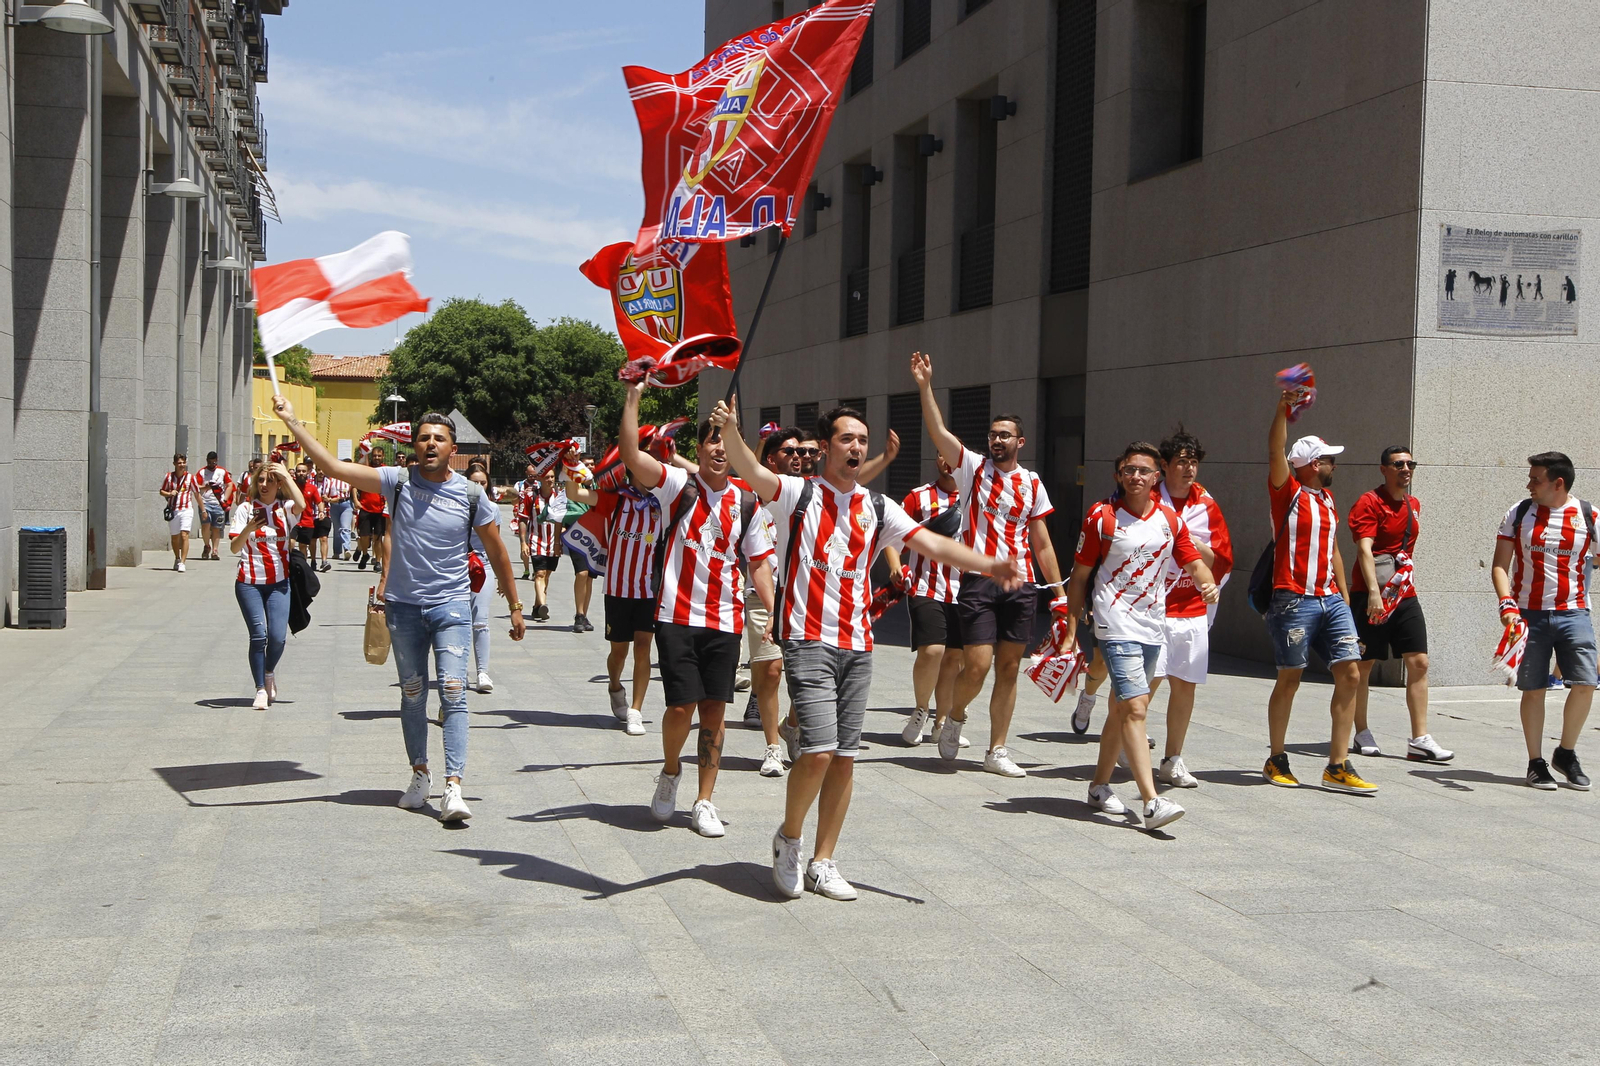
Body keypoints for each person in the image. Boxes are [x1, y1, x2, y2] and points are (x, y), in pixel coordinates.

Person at [712, 398, 1022, 900]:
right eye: (846, 438)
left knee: (845, 758)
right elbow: (748, 467)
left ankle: (823, 860)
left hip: (858, 644)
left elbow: (934, 546)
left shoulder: (878, 507)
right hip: (808, 638)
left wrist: (989, 564)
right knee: (816, 750)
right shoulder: (797, 494)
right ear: (826, 447)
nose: (856, 446)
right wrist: (730, 431)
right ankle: (789, 839)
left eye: (862, 439)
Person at [273, 395, 525, 822]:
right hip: (405, 609)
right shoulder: (398, 481)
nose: (430, 444)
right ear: (414, 446)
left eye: (439, 439)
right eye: (423, 438)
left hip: (451, 606)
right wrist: (294, 423)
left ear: (452, 449)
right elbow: (336, 469)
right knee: (412, 694)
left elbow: (499, 552)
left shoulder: (470, 494)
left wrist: (515, 605)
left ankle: (454, 787)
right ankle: (420, 775)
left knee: (453, 690)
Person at [618, 382, 777, 839]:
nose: (719, 448)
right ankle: (670, 771)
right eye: (712, 438)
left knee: (713, 712)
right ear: (700, 448)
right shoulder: (677, 487)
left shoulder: (747, 502)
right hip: (676, 616)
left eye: (727, 439)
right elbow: (632, 455)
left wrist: (777, 614)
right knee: (680, 708)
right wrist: (634, 396)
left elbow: (760, 565)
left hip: (724, 621)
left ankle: (705, 800)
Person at [911, 352, 1065, 777]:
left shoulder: (1033, 483)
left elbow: (1043, 543)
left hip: (1022, 585)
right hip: (979, 580)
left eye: (1005, 436)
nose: (997, 441)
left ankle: (997, 749)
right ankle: (955, 714)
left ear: (1021, 442)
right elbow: (939, 431)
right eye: (993, 435)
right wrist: (925, 386)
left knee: (1010, 668)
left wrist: (1060, 594)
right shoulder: (972, 468)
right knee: (976, 664)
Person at [1063, 442, 1220, 829]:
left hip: (1153, 625)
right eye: (1128, 470)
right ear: (1119, 475)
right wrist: (1070, 630)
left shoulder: (1169, 519)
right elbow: (1080, 576)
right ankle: (1151, 803)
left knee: (1120, 707)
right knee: (1136, 708)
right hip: (1114, 624)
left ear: (1156, 478)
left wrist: (1207, 584)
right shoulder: (1101, 517)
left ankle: (1099, 786)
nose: (1135, 476)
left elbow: (1194, 561)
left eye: (1143, 471)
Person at [1262, 392, 1376, 794]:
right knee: (1289, 678)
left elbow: (1333, 554)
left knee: (1349, 672)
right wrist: (1282, 410)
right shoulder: (1287, 491)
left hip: (1330, 599)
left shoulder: (1327, 499)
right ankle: (1276, 758)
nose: (1334, 465)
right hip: (1293, 598)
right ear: (1313, 464)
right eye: (1329, 459)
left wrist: (1344, 599)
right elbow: (1275, 447)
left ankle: (1337, 764)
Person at [1492, 451, 1595, 790]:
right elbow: (1499, 565)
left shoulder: (1588, 515)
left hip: (1574, 611)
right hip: (1527, 613)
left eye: (1536, 479)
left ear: (1558, 483)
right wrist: (1506, 604)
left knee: (1585, 683)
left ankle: (1565, 753)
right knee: (1533, 689)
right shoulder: (1519, 513)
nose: (1529, 485)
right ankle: (1536, 763)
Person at [1348, 447, 1453, 763]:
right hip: (1371, 595)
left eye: (1410, 464)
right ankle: (1361, 731)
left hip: (1404, 595)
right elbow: (1365, 551)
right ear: (1384, 469)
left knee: (1419, 661)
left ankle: (1420, 739)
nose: (1406, 469)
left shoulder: (1413, 504)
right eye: (1398, 464)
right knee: (1363, 667)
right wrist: (1373, 594)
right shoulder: (1369, 502)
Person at [1146, 427, 1234, 787]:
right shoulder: (1145, 499)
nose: (1188, 469)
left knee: (1185, 687)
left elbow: (1222, 559)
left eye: (1193, 462)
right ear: (1164, 466)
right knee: (1144, 685)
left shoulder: (1206, 505)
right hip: (1150, 609)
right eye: (1181, 462)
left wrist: (1189, 542)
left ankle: (1172, 759)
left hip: (1191, 609)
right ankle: (1123, 741)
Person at [566, 461, 660, 737]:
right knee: (619, 651)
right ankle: (615, 685)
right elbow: (575, 494)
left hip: (649, 590)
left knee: (643, 647)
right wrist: (572, 469)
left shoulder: (663, 502)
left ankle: (636, 709)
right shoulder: (617, 500)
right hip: (618, 588)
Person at [888, 454, 967, 747]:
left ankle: (942, 721)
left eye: (953, 457)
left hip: (966, 591)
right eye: (942, 455)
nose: (948, 462)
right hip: (925, 586)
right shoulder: (918, 497)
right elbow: (892, 534)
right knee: (932, 651)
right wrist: (896, 564)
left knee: (955, 658)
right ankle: (921, 708)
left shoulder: (977, 497)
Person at [227, 460, 305, 709]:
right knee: (259, 636)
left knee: (278, 638)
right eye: (260, 480)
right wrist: (248, 528)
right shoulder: (245, 509)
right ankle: (260, 688)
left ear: (278, 484)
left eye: (270, 480)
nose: (264, 485)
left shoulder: (285, 509)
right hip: (249, 582)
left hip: (279, 584)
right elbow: (234, 548)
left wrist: (286, 474)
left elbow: (302, 504)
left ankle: (269, 671)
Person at [465, 463, 497, 694]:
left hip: (483, 568)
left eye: (482, 483)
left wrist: (504, 581)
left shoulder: (493, 509)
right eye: (474, 482)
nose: (478, 486)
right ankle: (457, 672)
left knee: (480, 620)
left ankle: (482, 672)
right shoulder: (455, 505)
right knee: (456, 621)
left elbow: (496, 547)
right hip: (457, 567)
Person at [528, 467, 565, 622]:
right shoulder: (532, 496)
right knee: (539, 573)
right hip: (536, 540)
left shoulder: (560, 497)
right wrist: (523, 542)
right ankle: (543, 604)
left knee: (547, 573)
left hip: (553, 542)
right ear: (540, 479)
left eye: (552, 477)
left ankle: (537, 607)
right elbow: (524, 519)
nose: (550, 480)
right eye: (547, 477)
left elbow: (565, 518)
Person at [564, 470, 597, 632]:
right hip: (577, 535)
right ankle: (578, 613)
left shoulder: (598, 488)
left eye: (592, 465)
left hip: (595, 537)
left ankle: (584, 614)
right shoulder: (572, 488)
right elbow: (567, 511)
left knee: (590, 577)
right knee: (582, 573)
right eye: (586, 466)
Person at [194, 451, 233, 561]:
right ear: (207, 461)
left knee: (216, 528)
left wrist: (225, 499)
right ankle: (207, 545)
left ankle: (215, 550)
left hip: (218, 503)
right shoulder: (202, 472)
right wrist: (205, 487)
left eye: (214, 462)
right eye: (210, 462)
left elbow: (229, 485)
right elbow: (196, 487)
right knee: (206, 525)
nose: (212, 465)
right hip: (205, 502)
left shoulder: (222, 471)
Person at [354, 449, 388, 574]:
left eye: (379, 455)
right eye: (374, 456)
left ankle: (378, 561)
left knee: (378, 538)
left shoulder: (386, 470)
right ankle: (364, 554)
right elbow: (354, 485)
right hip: (365, 507)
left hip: (380, 509)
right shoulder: (366, 469)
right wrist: (356, 501)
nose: (377, 458)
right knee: (364, 536)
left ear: (383, 456)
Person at [160, 453, 195, 572]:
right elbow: (161, 491)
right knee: (175, 538)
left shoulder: (190, 477)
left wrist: (203, 509)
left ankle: (183, 562)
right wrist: (170, 493)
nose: (182, 465)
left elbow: (197, 493)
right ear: (174, 464)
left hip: (186, 509)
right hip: (173, 510)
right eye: (179, 463)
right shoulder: (169, 477)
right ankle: (177, 557)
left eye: (183, 463)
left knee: (184, 535)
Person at [292, 462, 324, 568]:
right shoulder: (290, 486)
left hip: (307, 521)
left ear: (308, 473)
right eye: (299, 471)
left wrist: (321, 512)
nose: (301, 473)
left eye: (303, 471)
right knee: (290, 543)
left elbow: (319, 502)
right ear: (295, 473)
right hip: (292, 521)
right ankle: (289, 565)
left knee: (303, 546)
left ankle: (302, 566)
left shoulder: (312, 488)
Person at [318, 467, 352, 564]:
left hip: (346, 504)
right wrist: (328, 499)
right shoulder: (330, 481)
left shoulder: (348, 479)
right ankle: (337, 551)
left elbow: (353, 490)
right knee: (337, 529)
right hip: (334, 505)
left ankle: (347, 549)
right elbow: (325, 492)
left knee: (345, 528)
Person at [513, 462, 538, 580]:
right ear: (526, 474)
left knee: (535, 546)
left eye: (535, 476)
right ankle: (526, 569)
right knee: (524, 544)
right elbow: (513, 500)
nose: (533, 479)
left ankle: (536, 570)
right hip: (523, 518)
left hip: (537, 520)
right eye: (530, 476)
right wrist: (523, 494)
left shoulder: (540, 484)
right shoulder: (519, 485)